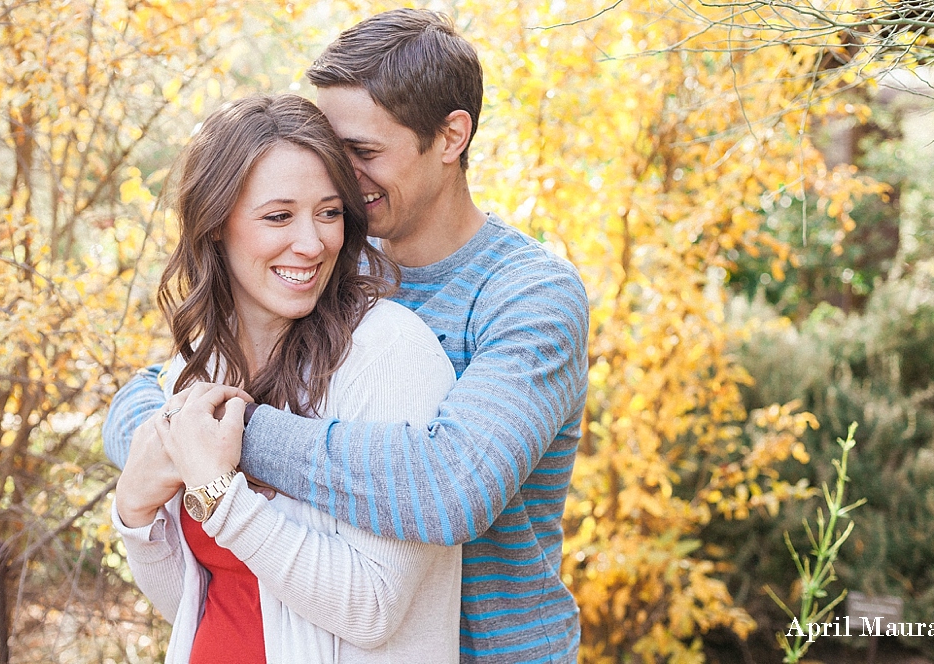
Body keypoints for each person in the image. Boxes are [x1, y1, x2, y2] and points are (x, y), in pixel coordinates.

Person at [105, 9, 589, 663]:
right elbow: (154, 392)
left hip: (494, 650)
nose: (339, 175)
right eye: (333, 150)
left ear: (451, 137)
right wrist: (171, 438)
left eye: (361, 152)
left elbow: (448, 490)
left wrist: (225, 438)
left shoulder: (526, 296)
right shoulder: (326, 266)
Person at [111, 93, 461, 663]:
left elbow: (373, 608)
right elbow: (197, 602)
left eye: (328, 213)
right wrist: (134, 507)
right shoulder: (200, 362)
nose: (313, 241)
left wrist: (223, 497)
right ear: (216, 223)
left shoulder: (388, 355)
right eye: (279, 216)